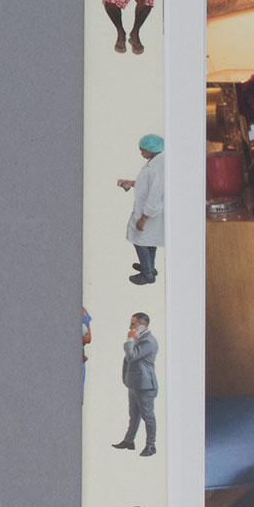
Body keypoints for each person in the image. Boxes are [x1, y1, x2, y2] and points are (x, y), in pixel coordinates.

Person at [116, 133, 164, 283]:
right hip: (149, 211)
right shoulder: (156, 162)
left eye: (142, 150)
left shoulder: (158, 167)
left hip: (149, 213)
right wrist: (130, 182)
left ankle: (147, 274)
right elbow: (147, 184)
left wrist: (144, 217)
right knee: (149, 241)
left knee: (140, 241)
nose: (141, 153)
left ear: (151, 149)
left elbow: (155, 194)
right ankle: (148, 266)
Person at [114, 313, 158, 456]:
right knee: (134, 415)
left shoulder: (149, 342)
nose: (130, 327)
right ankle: (129, 440)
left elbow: (131, 356)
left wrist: (130, 339)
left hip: (145, 386)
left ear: (142, 326)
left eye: (133, 324)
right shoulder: (140, 339)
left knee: (147, 416)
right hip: (134, 383)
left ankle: (151, 446)